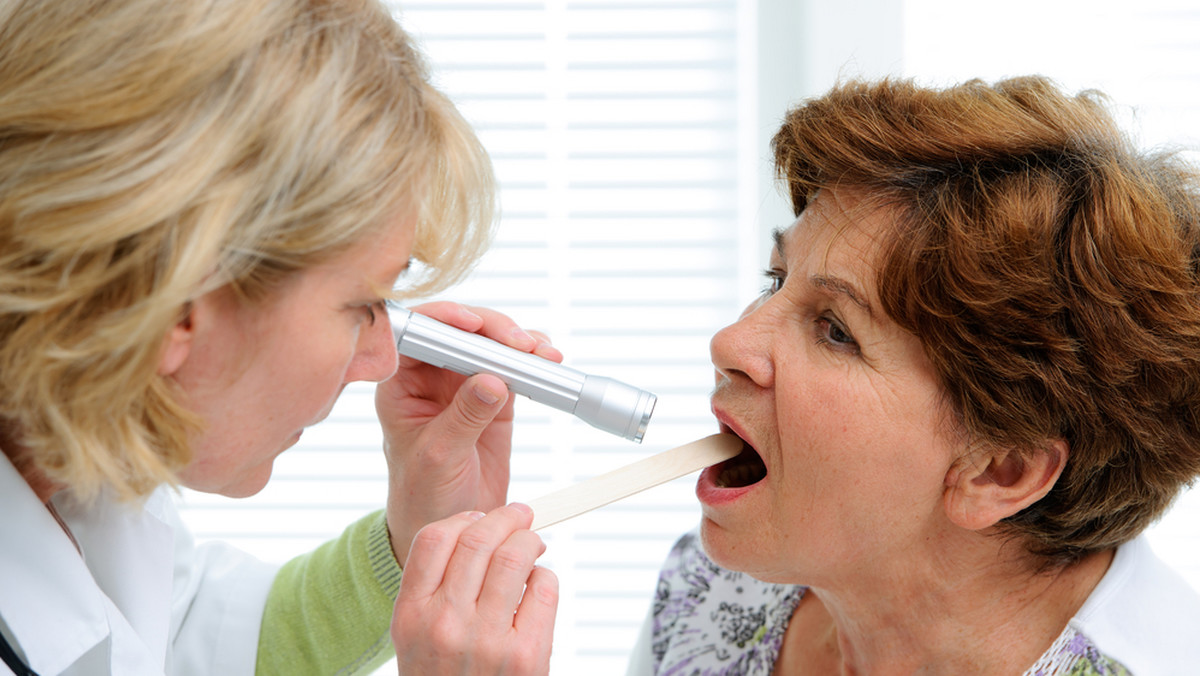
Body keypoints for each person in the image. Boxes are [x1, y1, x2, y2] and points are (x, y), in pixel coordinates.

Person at [0, 0, 557, 673]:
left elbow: (199, 642)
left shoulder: (80, 494)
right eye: (361, 305)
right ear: (174, 305)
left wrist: (410, 545)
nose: (383, 361)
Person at [626, 76, 1200, 675]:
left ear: (1000, 471)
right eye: (775, 280)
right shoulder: (706, 594)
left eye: (837, 330)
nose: (730, 342)